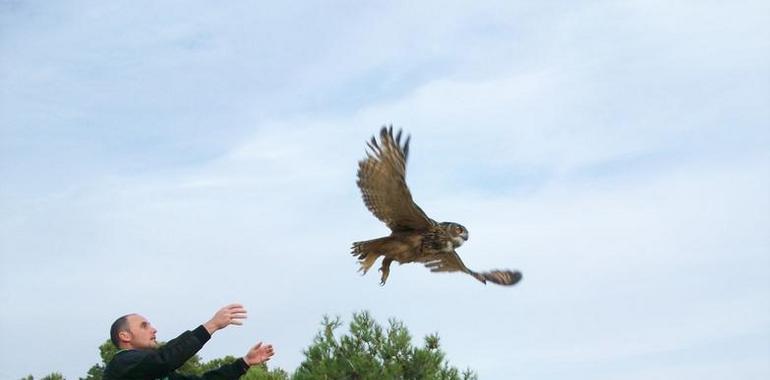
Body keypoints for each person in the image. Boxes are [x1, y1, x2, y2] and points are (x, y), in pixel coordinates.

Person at [104, 303, 274, 380]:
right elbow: (164, 359)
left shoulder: (158, 371)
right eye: (144, 326)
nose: (153, 329)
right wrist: (211, 325)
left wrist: (244, 363)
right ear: (125, 336)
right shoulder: (121, 364)